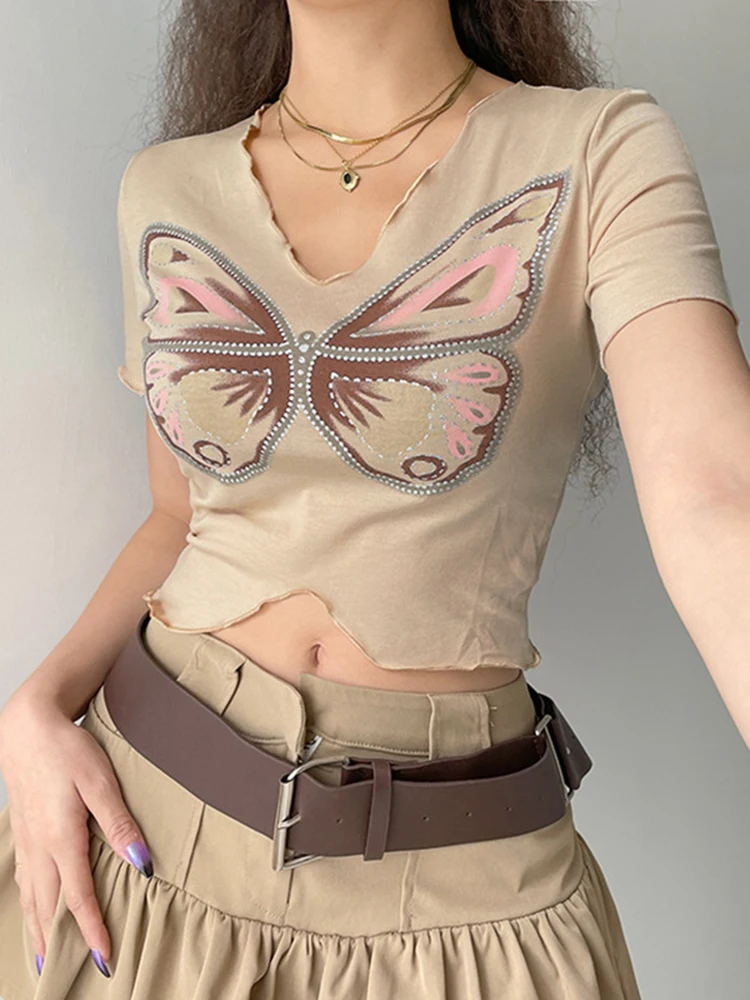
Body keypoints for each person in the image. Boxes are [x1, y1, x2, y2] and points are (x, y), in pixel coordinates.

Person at [0, 0, 745, 997]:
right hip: (142, 836)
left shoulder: (600, 150)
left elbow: (716, 496)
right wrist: (36, 705)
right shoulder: (165, 185)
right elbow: (179, 516)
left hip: (463, 896)